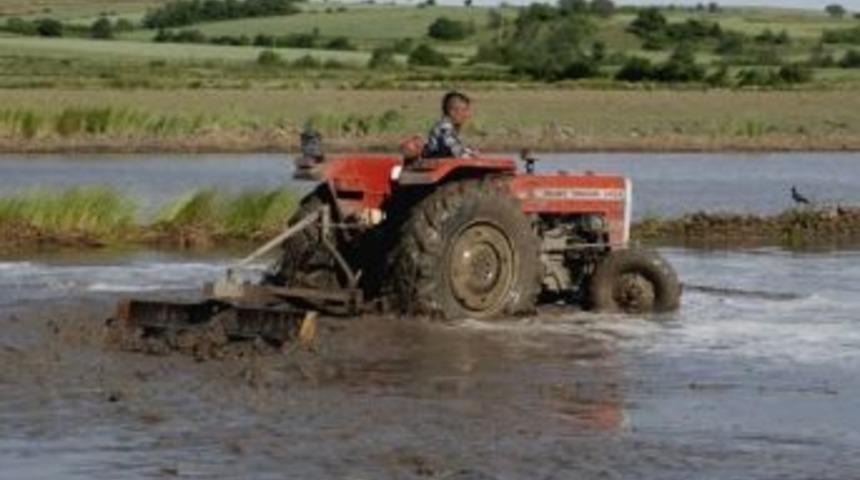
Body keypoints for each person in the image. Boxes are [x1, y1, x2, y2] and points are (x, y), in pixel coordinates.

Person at [422, 91, 476, 159]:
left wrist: (470, 152)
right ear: (452, 112)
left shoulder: (449, 127)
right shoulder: (444, 128)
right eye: (464, 110)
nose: (467, 115)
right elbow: (454, 149)